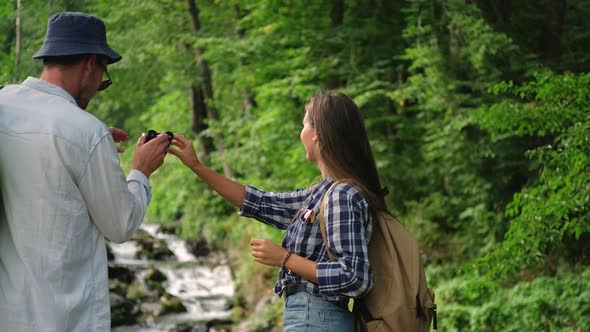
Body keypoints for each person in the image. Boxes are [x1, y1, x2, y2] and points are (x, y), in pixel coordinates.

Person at [0, 12, 170, 331]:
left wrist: (85, 146)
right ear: (91, 63)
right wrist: (141, 172)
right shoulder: (85, 131)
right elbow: (120, 225)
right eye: (103, 79)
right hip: (64, 318)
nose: (96, 88)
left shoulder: (4, 105)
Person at [168, 91, 388, 331]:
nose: (300, 133)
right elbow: (258, 202)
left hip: (316, 319)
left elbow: (354, 278)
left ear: (318, 135)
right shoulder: (323, 193)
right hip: (311, 318)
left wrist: (285, 259)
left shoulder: (341, 195)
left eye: (304, 124)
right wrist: (196, 166)